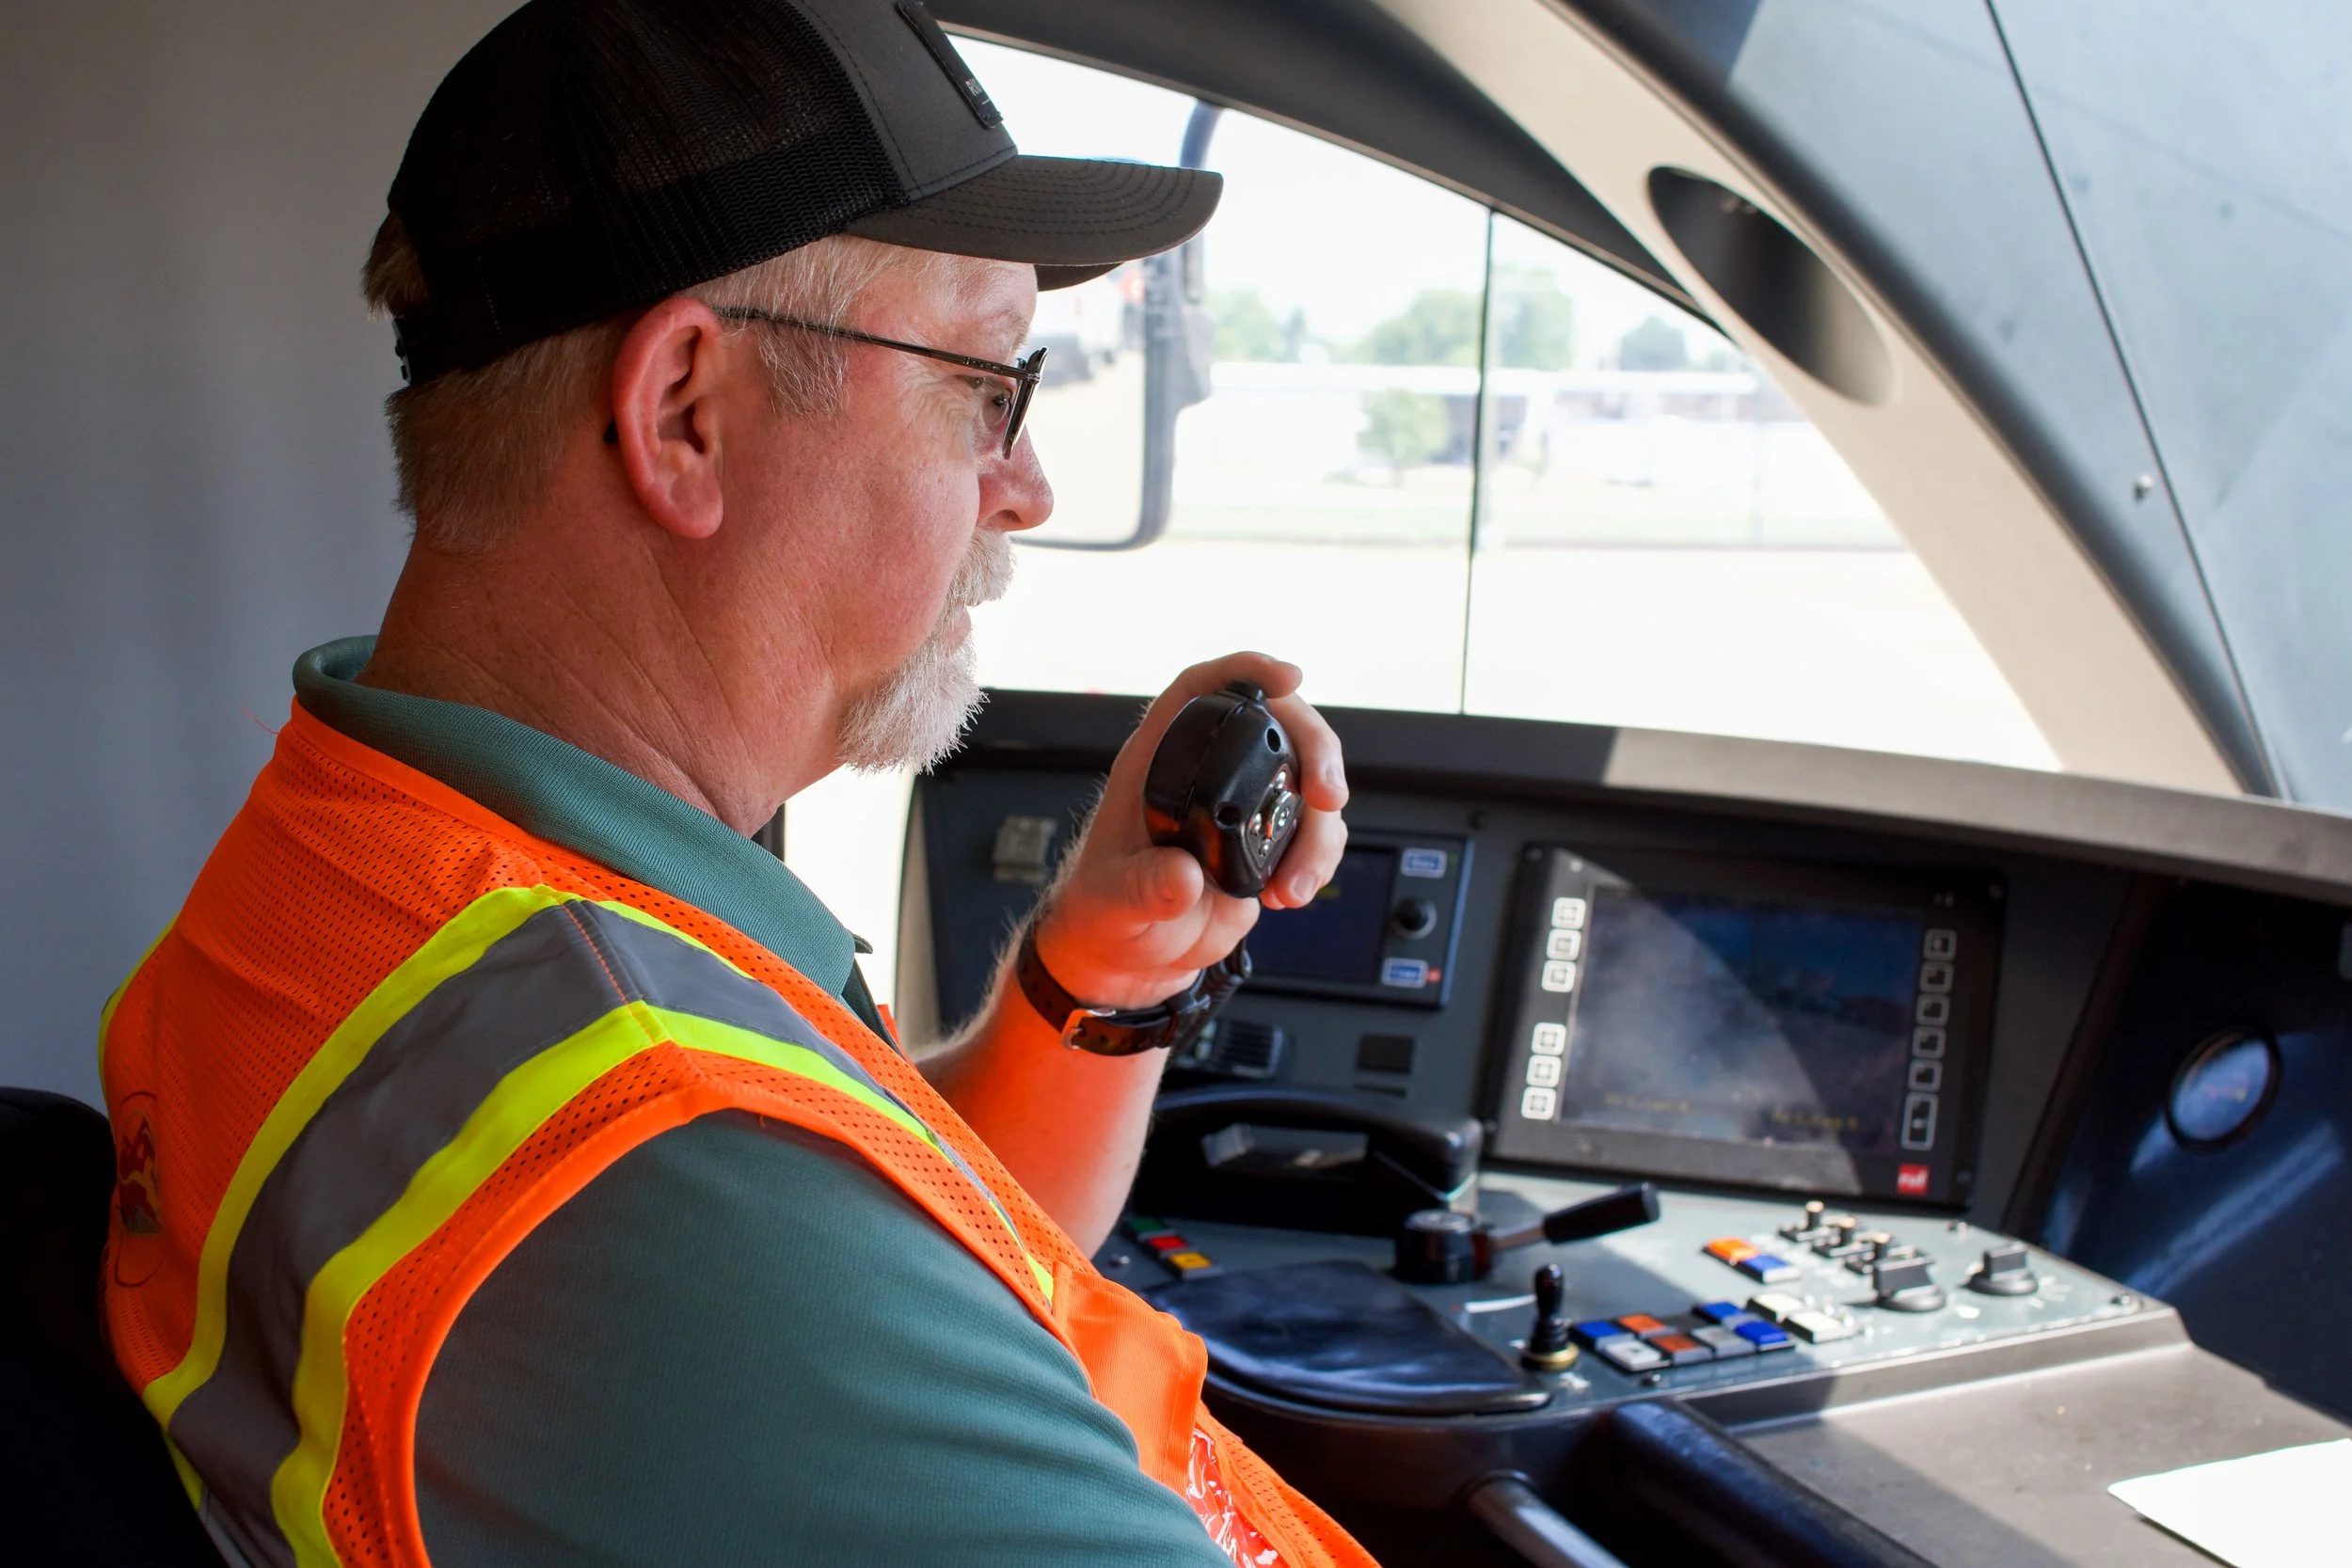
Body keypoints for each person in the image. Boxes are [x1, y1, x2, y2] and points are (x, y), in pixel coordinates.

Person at [94, 3, 1372, 1564]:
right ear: (686, 412)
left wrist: (1101, 977)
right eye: (985, 384)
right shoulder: (658, 1142)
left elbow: (891, 1261)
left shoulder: (372, 855)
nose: (1027, 489)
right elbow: (769, 1262)